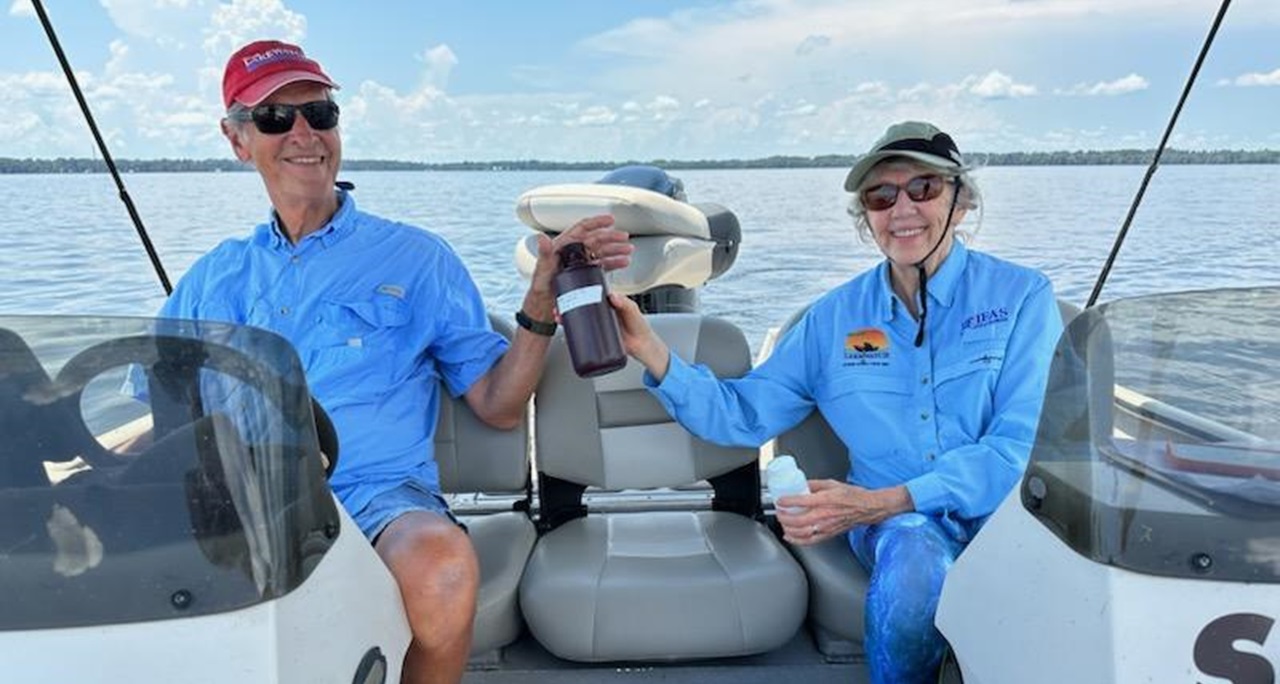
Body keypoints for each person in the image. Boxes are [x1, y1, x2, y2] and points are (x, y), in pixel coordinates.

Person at [155, 40, 631, 684]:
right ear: (238, 140)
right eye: (274, 118)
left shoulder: (418, 259)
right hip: (236, 499)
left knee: (443, 569)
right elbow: (155, 403)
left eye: (320, 113)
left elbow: (498, 406)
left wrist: (541, 302)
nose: (304, 134)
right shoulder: (212, 276)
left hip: (373, 498)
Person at [610, 121, 1062, 684]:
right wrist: (650, 350)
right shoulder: (831, 320)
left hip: (1006, 517)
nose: (902, 209)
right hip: (894, 532)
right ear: (866, 216)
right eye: (881, 195)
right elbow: (744, 415)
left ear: (961, 200)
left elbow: (1021, 445)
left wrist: (883, 500)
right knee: (915, 557)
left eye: (923, 188)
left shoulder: (1022, 297)